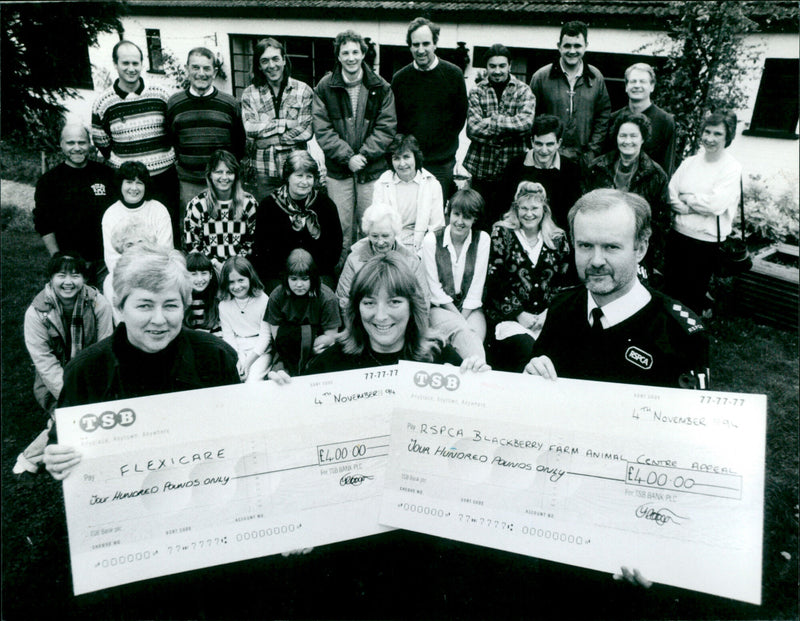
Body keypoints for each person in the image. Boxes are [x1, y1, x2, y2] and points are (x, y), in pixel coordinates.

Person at [43, 247, 240, 480]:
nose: (159, 319)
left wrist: (275, 396)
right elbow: (63, 442)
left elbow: (240, 426)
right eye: (144, 305)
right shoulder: (86, 371)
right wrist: (57, 457)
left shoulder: (215, 356)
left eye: (170, 305)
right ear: (119, 307)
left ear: (184, 306)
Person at [525, 188, 709, 389]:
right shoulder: (561, 307)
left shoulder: (678, 334)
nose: (596, 261)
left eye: (611, 247)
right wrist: (532, 376)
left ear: (640, 248)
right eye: (585, 246)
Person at [13, 254, 114, 474]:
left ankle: (31, 458)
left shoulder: (99, 304)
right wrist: (73, 395)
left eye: (75, 275)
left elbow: (105, 349)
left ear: (84, 278)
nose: (68, 282)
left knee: (91, 418)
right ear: (51, 278)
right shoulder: (36, 313)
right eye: (61, 275)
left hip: (92, 376)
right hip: (54, 383)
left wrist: (92, 389)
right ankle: (31, 456)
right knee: (74, 418)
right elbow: (44, 363)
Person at [307, 252, 488, 374]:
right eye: (369, 303)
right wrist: (282, 389)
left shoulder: (438, 355)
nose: (380, 316)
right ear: (356, 308)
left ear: (412, 306)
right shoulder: (332, 363)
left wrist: (476, 384)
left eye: (394, 302)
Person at [312, 29, 397, 264]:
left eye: (355, 52)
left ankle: (370, 275)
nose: (351, 57)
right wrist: (347, 157)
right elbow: (322, 128)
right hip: (339, 172)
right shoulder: (325, 86)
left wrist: (364, 155)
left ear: (363, 54)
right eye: (345, 52)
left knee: (370, 225)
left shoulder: (381, 87)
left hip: (370, 170)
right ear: (338, 56)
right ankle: (343, 279)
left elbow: (386, 127)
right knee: (340, 228)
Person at [91, 40, 179, 237]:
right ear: (115, 64)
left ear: (142, 63)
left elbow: (174, 131)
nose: (131, 69)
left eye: (135, 63)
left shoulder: (161, 95)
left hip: (163, 178)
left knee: (166, 231)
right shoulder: (103, 102)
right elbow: (101, 142)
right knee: (131, 233)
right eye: (125, 63)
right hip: (128, 182)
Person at [484, 181, 571, 372]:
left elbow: (564, 283)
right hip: (510, 320)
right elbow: (495, 280)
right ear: (516, 209)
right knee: (528, 352)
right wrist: (518, 314)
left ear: (544, 209)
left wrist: (548, 314)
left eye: (534, 208)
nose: (529, 214)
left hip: (547, 319)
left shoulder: (558, 238)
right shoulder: (502, 232)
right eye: (523, 208)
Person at [665, 111, 742, 316]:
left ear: (728, 137)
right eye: (707, 132)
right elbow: (672, 192)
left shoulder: (731, 168)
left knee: (692, 295)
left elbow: (715, 204)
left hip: (704, 243)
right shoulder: (690, 162)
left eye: (717, 134)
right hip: (678, 235)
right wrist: (693, 201)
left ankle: (687, 340)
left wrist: (688, 200)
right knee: (670, 290)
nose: (709, 138)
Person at [584, 111, 669, 283]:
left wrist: (651, 258)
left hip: (634, 248)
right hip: (599, 242)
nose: (627, 141)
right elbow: (585, 208)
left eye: (633, 136)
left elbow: (662, 222)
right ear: (616, 137)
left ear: (643, 138)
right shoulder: (597, 168)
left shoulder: (656, 175)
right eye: (623, 135)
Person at [391, 17, 468, 199]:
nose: (421, 50)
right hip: (408, 163)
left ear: (435, 44)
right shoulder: (400, 79)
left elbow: (459, 117)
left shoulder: (453, 75)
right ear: (409, 46)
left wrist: (442, 148)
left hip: (441, 164)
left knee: (435, 219)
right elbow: (397, 121)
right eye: (415, 44)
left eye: (426, 43)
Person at [33, 123, 117, 286]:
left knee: (107, 308)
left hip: (105, 262)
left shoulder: (106, 174)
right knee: (75, 310)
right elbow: (43, 223)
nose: (77, 148)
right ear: (61, 144)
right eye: (71, 143)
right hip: (70, 263)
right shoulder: (48, 181)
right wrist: (59, 259)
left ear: (89, 144)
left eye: (82, 142)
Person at [166, 46, 245, 217]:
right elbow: (171, 141)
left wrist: (224, 175)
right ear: (187, 69)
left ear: (214, 72)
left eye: (206, 68)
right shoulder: (174, 103)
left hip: (223, 183)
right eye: (195, 67)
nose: (201, 73)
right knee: (190, 229)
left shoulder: (230, 104)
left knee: (225, 230)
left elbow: (239, 145)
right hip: (189, 182)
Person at [465, 44, 536, 230]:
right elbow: (473, 128)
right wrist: (509, 127)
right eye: (492, 66)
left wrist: (492, 121)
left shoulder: (523, 91)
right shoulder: (477, 91)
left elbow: (526, 124)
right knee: (478, 222)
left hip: (512, 169)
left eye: (502, 66)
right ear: (486, 67)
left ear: (509, 66)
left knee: (510, 222)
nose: (497, 71)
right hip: (482, 170)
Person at [252, 150, 343, 291]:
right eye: (299, 176)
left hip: (317, 273)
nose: (304, 182)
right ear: (287, 176)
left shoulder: (325, 205)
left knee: (326, 292)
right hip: (279, 275)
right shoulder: (269, 206)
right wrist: (291, 277)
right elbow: (262, 250)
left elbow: (334, 248)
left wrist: (308, 275)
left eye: (309, 176)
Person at [529, 21, 611, 170]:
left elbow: (603, 117)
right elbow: (531, 118)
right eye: (567, 46)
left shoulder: (595, 77)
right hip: (549, 160)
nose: (572, 51)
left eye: (577, 46)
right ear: (559, 46)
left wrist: (592, 152)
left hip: (584, 161)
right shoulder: (540, 78)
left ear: (586, 45)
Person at [241, 37, 314, 203]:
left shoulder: (303, 91)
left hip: (296, 169)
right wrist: (286, 124)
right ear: (259, 65)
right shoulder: (249, 94)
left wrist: (273, 138)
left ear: (283, 60)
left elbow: (306, 130)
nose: (271, 65)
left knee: (296, 220)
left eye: (275, 59)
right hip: (263, 171)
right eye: (265, 61)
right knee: (269, 220)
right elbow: (251, 128)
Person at [420, 188, 489, 362]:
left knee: (474, 342)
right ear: (449, 212)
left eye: (466, 217)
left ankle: (472, 376)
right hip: (440, 308)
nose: (459, 221)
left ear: (475, 218)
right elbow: (434, 288)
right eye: (456, 214)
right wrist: (459, 320)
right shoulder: (431, 240)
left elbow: (476, 288)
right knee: (465, 334)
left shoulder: (482, 240)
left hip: (470, 308)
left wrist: (463, 316)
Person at [336, 202, 429, 315]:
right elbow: (343, 300)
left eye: (385, 236)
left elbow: (422, 301)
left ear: (395, 233)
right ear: (368, 234)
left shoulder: (411, 261)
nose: (380, 242)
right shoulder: (354, 259)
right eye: (374, 236)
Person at [265, 249, 341, 375]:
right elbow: (277, 335)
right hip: (286, 350)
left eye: (305, 279)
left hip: (318, 349)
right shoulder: (277, 296)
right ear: (286, 278)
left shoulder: (327, 298)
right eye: (294, 279)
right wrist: (300, 348)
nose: (299, 284)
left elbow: (331, 336)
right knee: (279, 379)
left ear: (313, 278)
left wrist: (307, 348)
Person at [502, 114, 581, 231]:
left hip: (557, 233)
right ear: (532, 141)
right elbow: (503, 205)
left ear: (558, 143)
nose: (544, 150)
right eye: (539, 144)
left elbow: (572, 212)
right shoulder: (515, 165)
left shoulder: (570, 169)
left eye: (549, 144)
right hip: (520, 230)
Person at [101, 161, 174, 290]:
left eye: (139, 183)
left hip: (156, 273)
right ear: (120, 184)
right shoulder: (111, 214)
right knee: (108, 283)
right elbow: (112, 259)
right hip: (125, 276)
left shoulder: (158, 209)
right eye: (129, 182)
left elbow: (165, 250)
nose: (134, 188)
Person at [183, 149, 258, 273]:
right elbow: (192, 244)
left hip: (240, 268)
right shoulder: (197, 205)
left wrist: (234, 264)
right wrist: (215, 263)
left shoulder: (248, 203)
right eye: (219, 172)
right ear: (210, 175)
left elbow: (253, 241)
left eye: (229, 172)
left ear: (236, 175)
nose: (224, 177)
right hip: (208, 269)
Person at [372, 133, 445, 251]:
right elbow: (378, 224)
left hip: (421, 245)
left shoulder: (432, 184)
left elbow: (436, 228)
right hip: (390, 244)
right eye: (396, 158)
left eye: (406, 157)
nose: (402, 164)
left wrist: (421, 254)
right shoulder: (381, 184)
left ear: (416, 157)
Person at [606, 63, 676, 176]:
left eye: (642, 81)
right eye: (633, 81)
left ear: (652, 86)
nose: (637, 86)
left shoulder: (665, 121)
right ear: (626, 87)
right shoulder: (614, 119)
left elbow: (667, 166)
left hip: (650, 188)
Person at [218, 256, 272, 382]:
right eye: (231, 282)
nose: (236, 286)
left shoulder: (263, 300)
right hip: (237, 349)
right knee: (234, 378)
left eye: (241, 280)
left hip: (260, 351)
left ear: (250, 278)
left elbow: (265, 337)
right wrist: (239, 360)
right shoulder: (224, 305)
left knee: (251, 381)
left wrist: (247, 363)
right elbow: (228, 336)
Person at [184, 252, 221, 333]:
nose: (200, 279)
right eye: (194, 274)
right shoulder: (181, 300)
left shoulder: (217, 299)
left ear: (211, 274)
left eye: (204, 273)